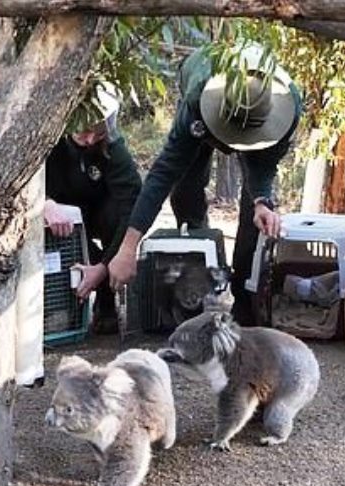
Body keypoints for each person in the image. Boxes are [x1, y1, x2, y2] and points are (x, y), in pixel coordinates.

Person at [107, 43, 302, 326]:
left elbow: (263, 167)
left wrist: (262, 200)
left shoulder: (287, 110)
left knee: (256, 213)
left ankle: (243, 298)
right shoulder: (198, 99)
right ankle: (196, 276)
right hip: (207, 109)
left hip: (258, 123)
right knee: (185, 190)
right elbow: (162, 175)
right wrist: (128, 248)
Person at [44, 84, 142, 334]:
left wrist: (104, 266)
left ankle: (106, 303)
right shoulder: (47, 138)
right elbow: (21, 178)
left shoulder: (113, 150)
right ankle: (62, 306)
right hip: (58, 211)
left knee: (115, 218)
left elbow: (132, 205)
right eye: (84, 131)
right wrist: (43, 202)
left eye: (96, 132)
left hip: (100, 213)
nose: (88, 140)